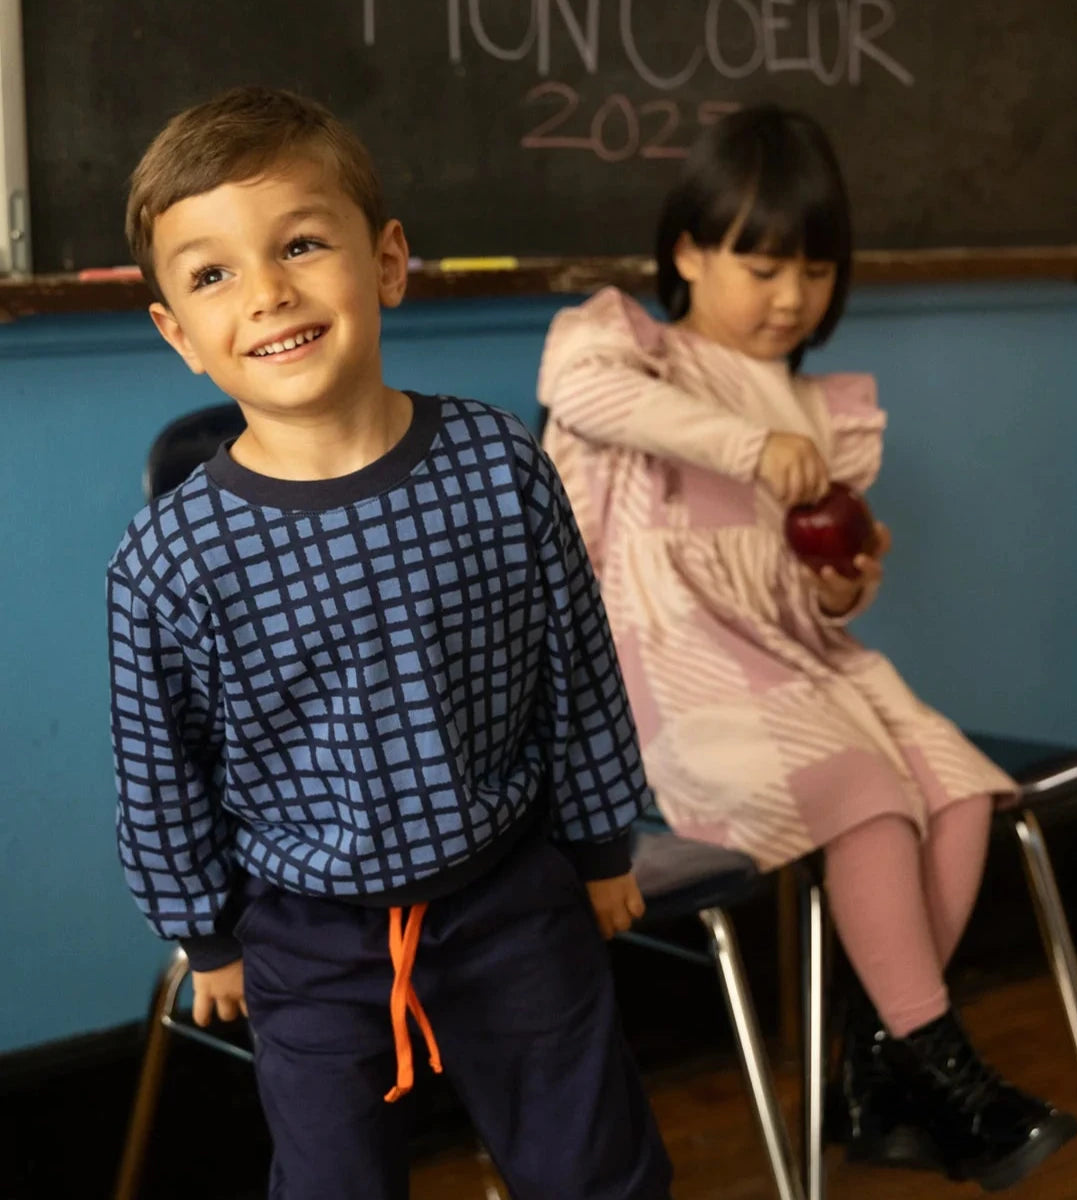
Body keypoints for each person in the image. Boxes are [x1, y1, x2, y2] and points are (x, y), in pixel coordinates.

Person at [107, 85, 672, 1200]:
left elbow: (578, 670)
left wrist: (604, 847)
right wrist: (207, 937)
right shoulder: (170, 559)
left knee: (591, 1165)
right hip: (307, 937)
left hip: (512, 897)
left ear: (389, 262)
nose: (267, 292)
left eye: (300, 245)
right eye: (213, 275)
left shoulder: (499, 467)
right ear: (178, 334)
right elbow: (160, 770)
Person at [537, 104, 1077, 1192]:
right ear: (687, 252)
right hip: (663, 668)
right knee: (867, 791)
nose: (791, 297)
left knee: (958, 787)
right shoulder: (629, 351)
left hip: (795, 664)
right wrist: (751, 445)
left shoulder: (824, 414)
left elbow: (805, 597)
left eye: (817, 271)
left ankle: (879, 1060)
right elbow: (579, 397)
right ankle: (945, 1073)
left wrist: (839, 588)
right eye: (762, 265)